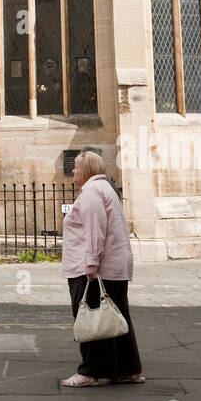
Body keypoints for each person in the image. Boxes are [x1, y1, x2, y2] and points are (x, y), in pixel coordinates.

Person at [59, 149, 144, 387]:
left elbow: (95, 231)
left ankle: (90, 372)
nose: (73, 171)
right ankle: (127, 369)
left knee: (91, 318)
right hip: (114, 267)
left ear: (85, 170)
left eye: (76, 167)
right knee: (116, 318)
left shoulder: (91, 193)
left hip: (96, 269)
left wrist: (91, 264)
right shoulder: (106, 189)